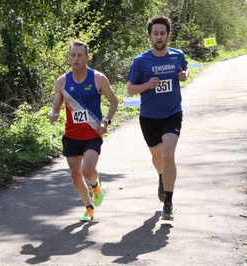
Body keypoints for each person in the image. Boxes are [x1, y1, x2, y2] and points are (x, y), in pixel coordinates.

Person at [126, 16, 189, 221]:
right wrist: (146, 85)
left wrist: (185, 75)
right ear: (150, 36)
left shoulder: (177, 55)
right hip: (149, 117)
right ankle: (162, 177)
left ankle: (168, 204)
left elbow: (184, 68)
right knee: (158, 158)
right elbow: (130, 88)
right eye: (155, 33)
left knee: (169, 156)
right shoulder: (140, 61)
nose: (159, 37)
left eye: (162, 33)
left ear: (168, 35)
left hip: (172, 113)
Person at [50, 40, 118, 222]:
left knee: (88, 171)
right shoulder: (62, 81)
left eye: (80, 55)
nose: (76, 58)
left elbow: (114, 100)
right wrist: (53, 113)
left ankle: (95, 185)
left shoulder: (98, 78)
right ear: (68, 58)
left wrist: (106, 121)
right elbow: (56, 106)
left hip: (92, 134)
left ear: (87, 57)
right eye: (73, 55)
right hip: (71, 135)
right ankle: (88, 208)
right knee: (75, 175)